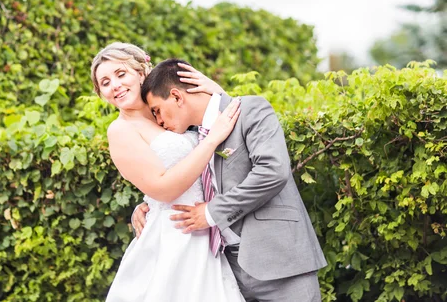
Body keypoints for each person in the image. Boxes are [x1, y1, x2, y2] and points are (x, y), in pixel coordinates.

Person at [135, 58, 328, 301]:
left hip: (280, 261)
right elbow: (174, 181)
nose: (159, 121)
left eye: (157, 111)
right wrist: (147, 206)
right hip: (223, 272)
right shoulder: (190, 138)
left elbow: (272, 171)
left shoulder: (250, 110)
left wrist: (210, 213)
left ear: (176, 96)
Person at [91, 42, 245, 301]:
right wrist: (210, 142)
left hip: (209, 228)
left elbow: (221, 124)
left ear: (142, 72)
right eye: (105, 82)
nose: (115, 85)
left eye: (121, 74)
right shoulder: (119, 130)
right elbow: (163, 188)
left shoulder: (171, 102)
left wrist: (216, 92)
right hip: (174, 235)